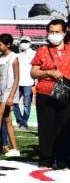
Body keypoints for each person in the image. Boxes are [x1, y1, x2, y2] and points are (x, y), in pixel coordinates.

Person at [31, 19, 70, 168]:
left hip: (66, 93)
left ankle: (63, 161)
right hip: (45, 93)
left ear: (64, 32)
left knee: (64, 129)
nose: (54, 35)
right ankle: (46, 160)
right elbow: (34, 72)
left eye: (57, 32)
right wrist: (48, 72)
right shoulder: (42, 50)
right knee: (46, 128)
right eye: (51, 31)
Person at [14, 36, 36, 130]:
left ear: (30, 43)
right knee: (14, 103)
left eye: (26, 41)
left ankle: (24, 123)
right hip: (17, 82)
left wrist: (35, 81)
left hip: (29, 82)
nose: (24, 43)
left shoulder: (35, 54)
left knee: (27, 105)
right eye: (22, 41)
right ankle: (20, 121)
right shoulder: (17, 55)